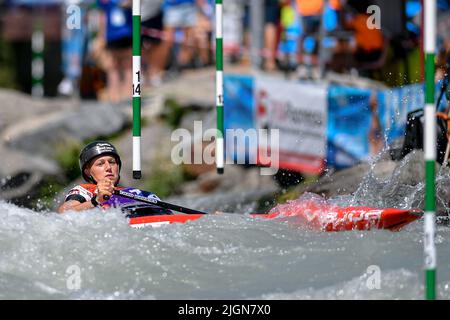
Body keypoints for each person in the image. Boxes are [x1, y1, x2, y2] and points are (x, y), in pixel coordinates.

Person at [58, 141, 123, 213]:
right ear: (88, 172)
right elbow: (64, 212)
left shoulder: (135, 192)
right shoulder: (84, 190)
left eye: (112, 162)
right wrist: (96, 201)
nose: (108, 167)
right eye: (100, 164)